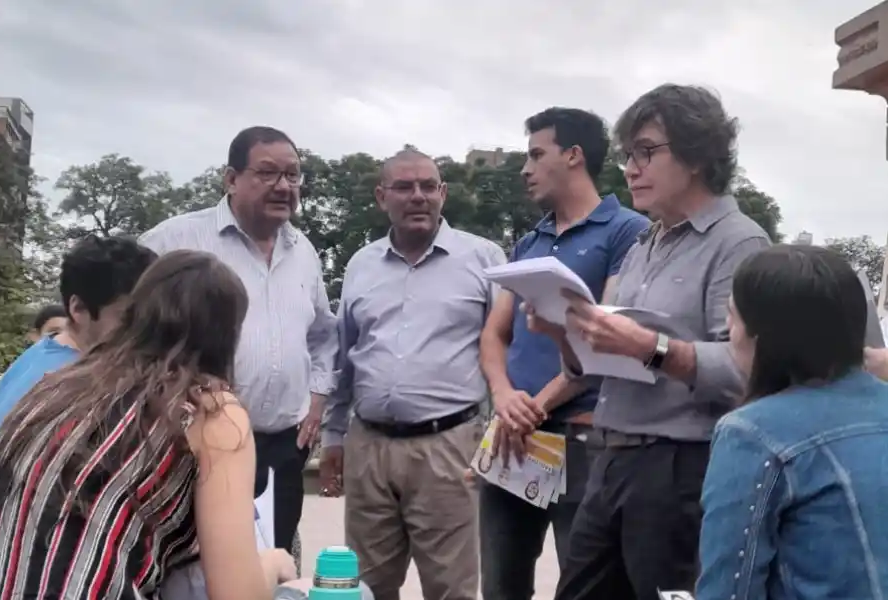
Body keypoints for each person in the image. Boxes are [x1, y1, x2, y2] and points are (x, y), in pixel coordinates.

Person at [527, 84, 771, 600]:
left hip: (679, 469)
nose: (630, 168)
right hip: (609, 457)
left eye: (647, 152)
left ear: (699, 154)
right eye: (627, 155)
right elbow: (591, 370)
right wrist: (563, 334)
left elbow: (749, 373)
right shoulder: (646, 241)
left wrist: (649, 346)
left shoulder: (740, 243)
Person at [0, 250, 297, 599]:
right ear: (228, 334)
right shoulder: (209, 411)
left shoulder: (56, 385)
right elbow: (238, 594)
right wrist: (273, 564)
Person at [140, 126, 339, 553]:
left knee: (271, 564)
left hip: (283, 449)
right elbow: (126, 329)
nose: (284, 186)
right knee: (189, 568)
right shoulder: (174, 242)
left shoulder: (303, 252)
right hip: (193, 448)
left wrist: (318, 398)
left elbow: (324, 335)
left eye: (293, 175)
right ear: (231, 178)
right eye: (267, 173)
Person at [478, 107, 649, 600]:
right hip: (513, 436)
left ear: (574, 156)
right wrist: (504, 396)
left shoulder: (627, 232)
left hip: (583, 436)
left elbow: (610, 334)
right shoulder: (529, 242)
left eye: (536, 154)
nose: (525, 169)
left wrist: (535, 406)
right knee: (501, 584)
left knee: (586, 584)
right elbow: (495, 334)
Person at [319, 148, 506, 600]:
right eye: (404, 187)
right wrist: (333, 436)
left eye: (428, 186)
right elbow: (345, 356)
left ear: (443, 193)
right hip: (369, 446)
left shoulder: (485, 259)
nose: (418, 196)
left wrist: (500, 430)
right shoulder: (361, 265)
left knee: (451, 588)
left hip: (450, 447)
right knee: (364, 586)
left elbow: (507, 349)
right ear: (382, 196)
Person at [696, 245, 888, 599]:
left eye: (732, 316)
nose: (727, 330)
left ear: (762, 336)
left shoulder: (752, 433)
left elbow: (729, 589)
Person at [0, 235, 157, 440]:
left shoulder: (41, 356)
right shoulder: (71, 382)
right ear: (78, 308)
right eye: (127, 316)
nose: (143, 329)